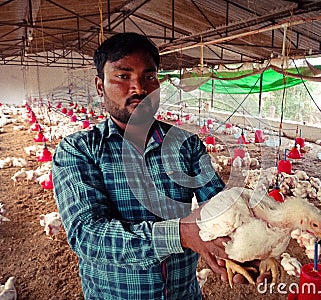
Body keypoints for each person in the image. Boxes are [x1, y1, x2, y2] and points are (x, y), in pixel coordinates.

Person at [52, 32, 232, 299]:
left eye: (149, 76)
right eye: (123, 76)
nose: (139, 89)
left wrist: (240, 247)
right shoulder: (79, 150)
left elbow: (220, 207)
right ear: (100, 86)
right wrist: (180, 233)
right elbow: (87, 236)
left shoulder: (187, 145)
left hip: (183, 294)